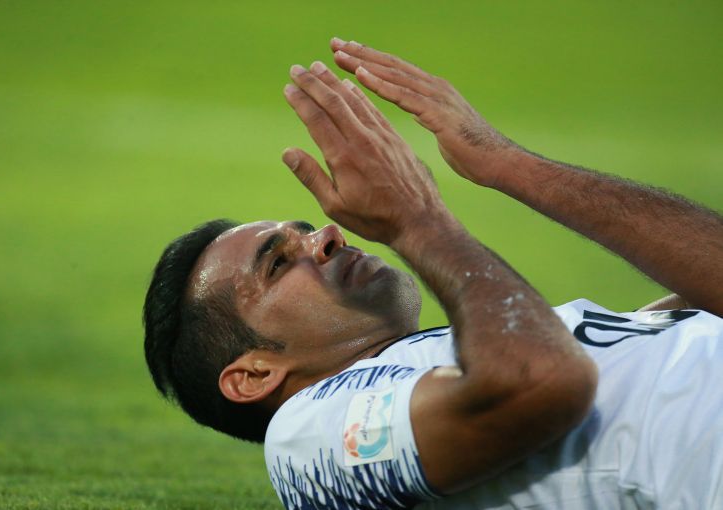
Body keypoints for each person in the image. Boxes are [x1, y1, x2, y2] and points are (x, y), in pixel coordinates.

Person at [143, 38, 723, 509]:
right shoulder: (305, 432)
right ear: (254, 375)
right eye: (277, 263)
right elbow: (543, 384)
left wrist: (504, 163)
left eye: (309, 230)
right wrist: (417, 220)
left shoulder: (490, 344)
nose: (327, 237)